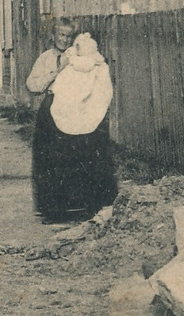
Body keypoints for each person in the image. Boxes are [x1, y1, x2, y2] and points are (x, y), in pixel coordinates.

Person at [26, 18, 119, 220]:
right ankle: (53, 210)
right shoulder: (45, 58)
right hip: (52, 109)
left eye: (69, 36)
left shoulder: (83, 56)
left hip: (79, 110)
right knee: (50, 159)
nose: (64, 40)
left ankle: (87, 206)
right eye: (61, 35)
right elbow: (33, 86)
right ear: (53, 36)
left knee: (83, 156)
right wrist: (58, 70)